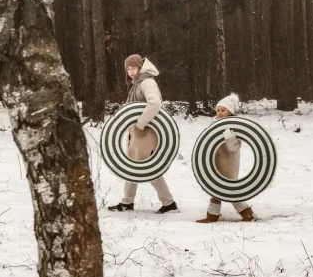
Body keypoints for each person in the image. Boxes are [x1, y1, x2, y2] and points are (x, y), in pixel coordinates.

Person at [108, 54, 179, 214]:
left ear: (140, 67)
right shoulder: (137, 83)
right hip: (138, 133)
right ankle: (128, 202)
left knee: (147, 167)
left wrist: (140, 124)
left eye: (133, 67)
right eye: (128, 68)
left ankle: (168, 203)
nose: (130, 71)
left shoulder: (147, 82)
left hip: (146, 132)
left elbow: (155, 104)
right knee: (134, 166)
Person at [196, 94, 255, 223]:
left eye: (223, 110)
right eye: (218, 110)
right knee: (215, 190)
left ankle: (247, 213)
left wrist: (230, 138)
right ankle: (212, 216)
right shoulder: (214, 125)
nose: (220, 113)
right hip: (215, 162)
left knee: (230, 190)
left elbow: (235, 148)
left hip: (229, 163)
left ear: (230, 112)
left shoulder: (235, 127)